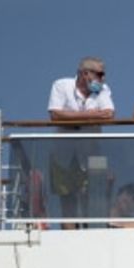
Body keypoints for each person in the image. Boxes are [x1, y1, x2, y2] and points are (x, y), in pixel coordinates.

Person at [47, 57, 115, 229]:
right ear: (85, 74)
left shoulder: (103, 89)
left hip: (92, 153)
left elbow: (109, 114)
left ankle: (87, 238)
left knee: (92, 198)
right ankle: (70, 240)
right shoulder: (61, 85)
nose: (103, 79)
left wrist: (71, 117)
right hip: (63, 154)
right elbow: (55, 115)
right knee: (67, 200)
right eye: (100, 74)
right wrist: (92, 116)